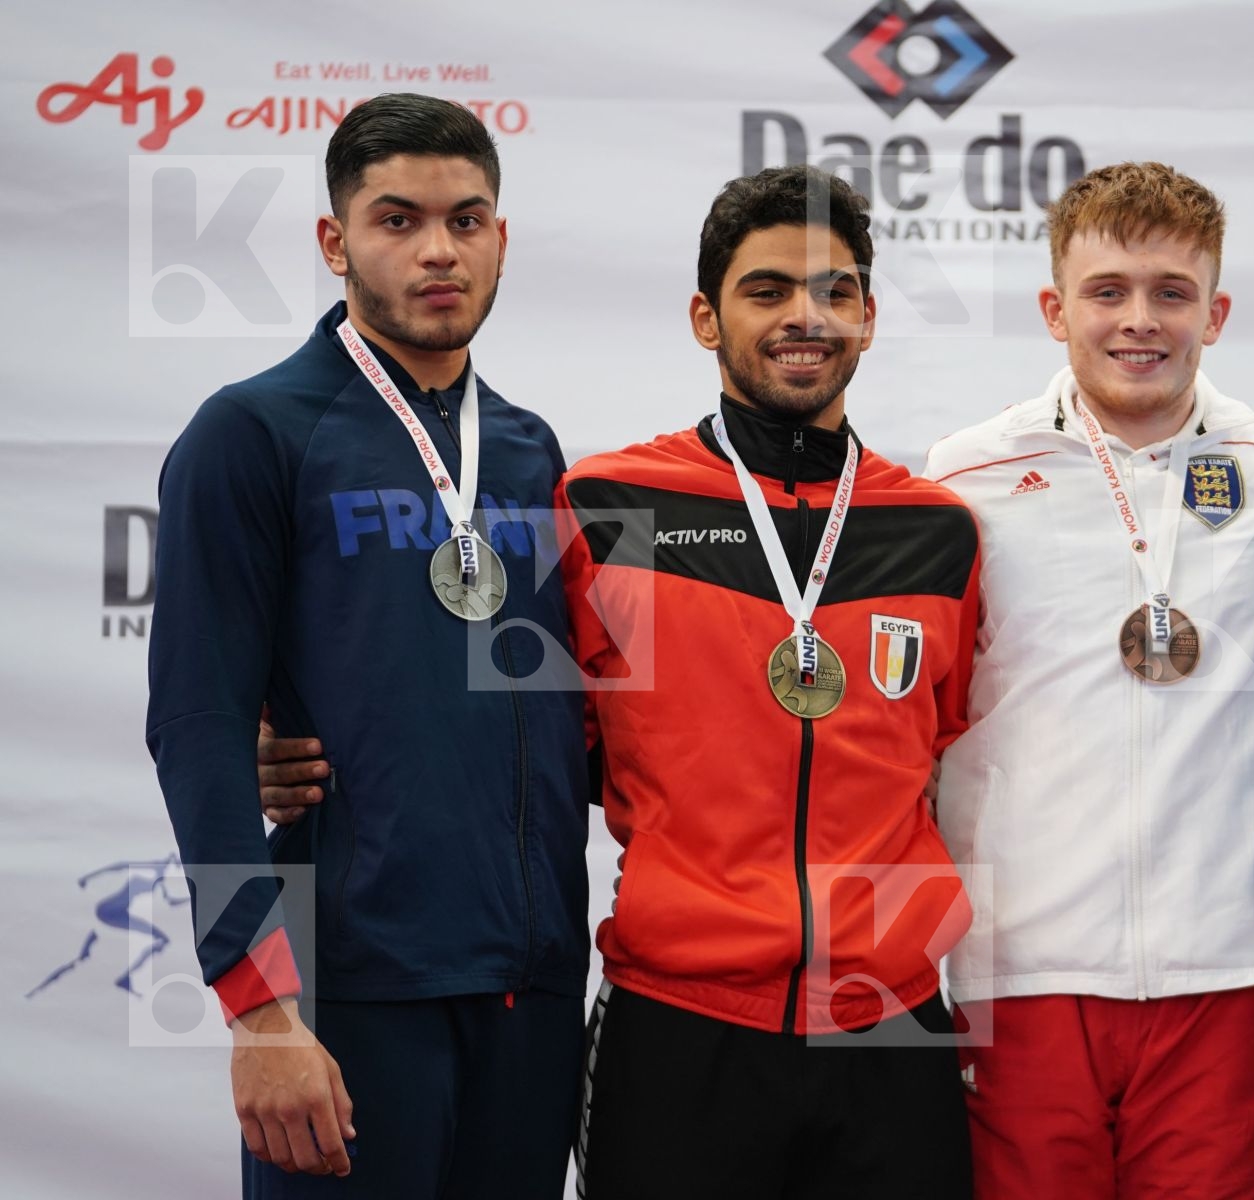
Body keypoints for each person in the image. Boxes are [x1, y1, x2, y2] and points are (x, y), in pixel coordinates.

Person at [146, 93, 589, 1197]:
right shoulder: (253, 432)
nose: (439, 251)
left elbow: (556, 708)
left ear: (500, 238)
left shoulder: (530, 449)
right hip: (348, 991)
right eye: (398, 220)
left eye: (466, 220)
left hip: (531, 990)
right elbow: (198, 727)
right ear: (334, 242)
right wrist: (260, 1010)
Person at [554, 165, 980, 1198]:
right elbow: (538, 751)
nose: (807, 316)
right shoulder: (606, 506)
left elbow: (942, 754)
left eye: (836, 291)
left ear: (869, 318)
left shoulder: (939, 530)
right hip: (680, 1022)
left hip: (890, 1023)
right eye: (768, 290)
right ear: (706, 317)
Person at [923, 162, 1254, 1197]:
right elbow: (908, 721)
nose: (1139, 319)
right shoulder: (964, 477)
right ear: (1055, 310)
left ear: (1215, 313)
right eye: (1108, 291)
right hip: (1023, 973)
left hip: (1229, 972)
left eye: (1171, 292)